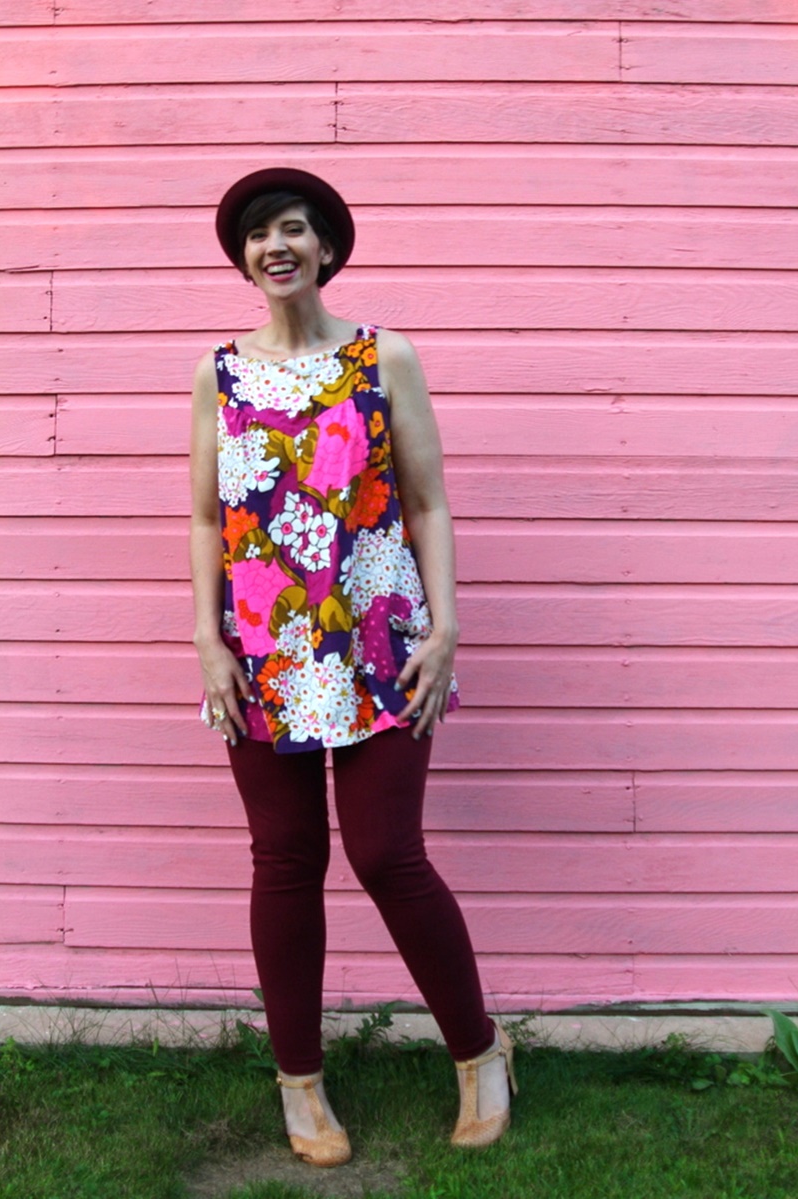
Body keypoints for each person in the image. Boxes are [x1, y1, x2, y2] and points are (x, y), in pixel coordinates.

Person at [189, 167, 518, 1167]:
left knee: (385, 853)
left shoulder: (385, 358)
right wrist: (206, 637)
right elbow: (208, 515)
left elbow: (427, 502)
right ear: (245, 260)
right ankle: (300, 1084)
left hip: (381, 644)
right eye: (256, 235)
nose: (273, 246)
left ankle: (478, 1051)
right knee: (283, 861)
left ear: (326, 247)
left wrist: (446, 623)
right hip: (264, 650)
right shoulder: (221, 374)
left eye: (292, 229)